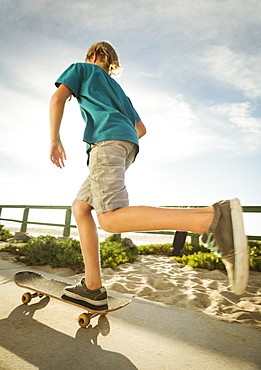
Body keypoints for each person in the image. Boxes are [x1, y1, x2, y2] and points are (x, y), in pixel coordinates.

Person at [50, 41, 249, 306]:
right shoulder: (118, 91)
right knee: (81, 207)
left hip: (105, 144)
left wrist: (55, 139)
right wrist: (120, 135)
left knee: (109, 218)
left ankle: (211, 220)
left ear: (95, 54)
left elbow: (58, 98)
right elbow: (140, 128)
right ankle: (92, 286)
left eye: (90, 55)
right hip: (126, 146)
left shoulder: (81, 69)